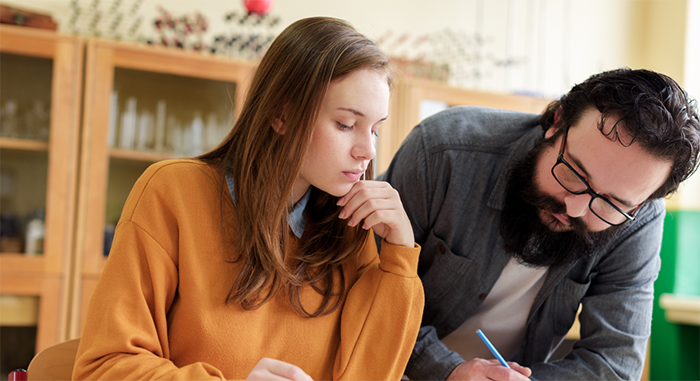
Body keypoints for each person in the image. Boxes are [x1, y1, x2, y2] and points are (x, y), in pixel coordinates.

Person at [73, 17, 424, 381]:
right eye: (346, 125)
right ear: (281, 115)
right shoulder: (172, 192)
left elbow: (371, 374)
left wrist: (399, 251)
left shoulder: (350, 228)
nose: (367, 151)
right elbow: (105, 365)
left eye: (376, 130)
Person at [380, 68, 700, 381]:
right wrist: (446, 370)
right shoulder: (444, 151)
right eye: (574, 173)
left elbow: (615, 363)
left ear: (641, 203)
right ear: (557, 122)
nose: (575, 208)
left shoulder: (638, 219)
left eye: (609, 202)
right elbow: (365, 293)